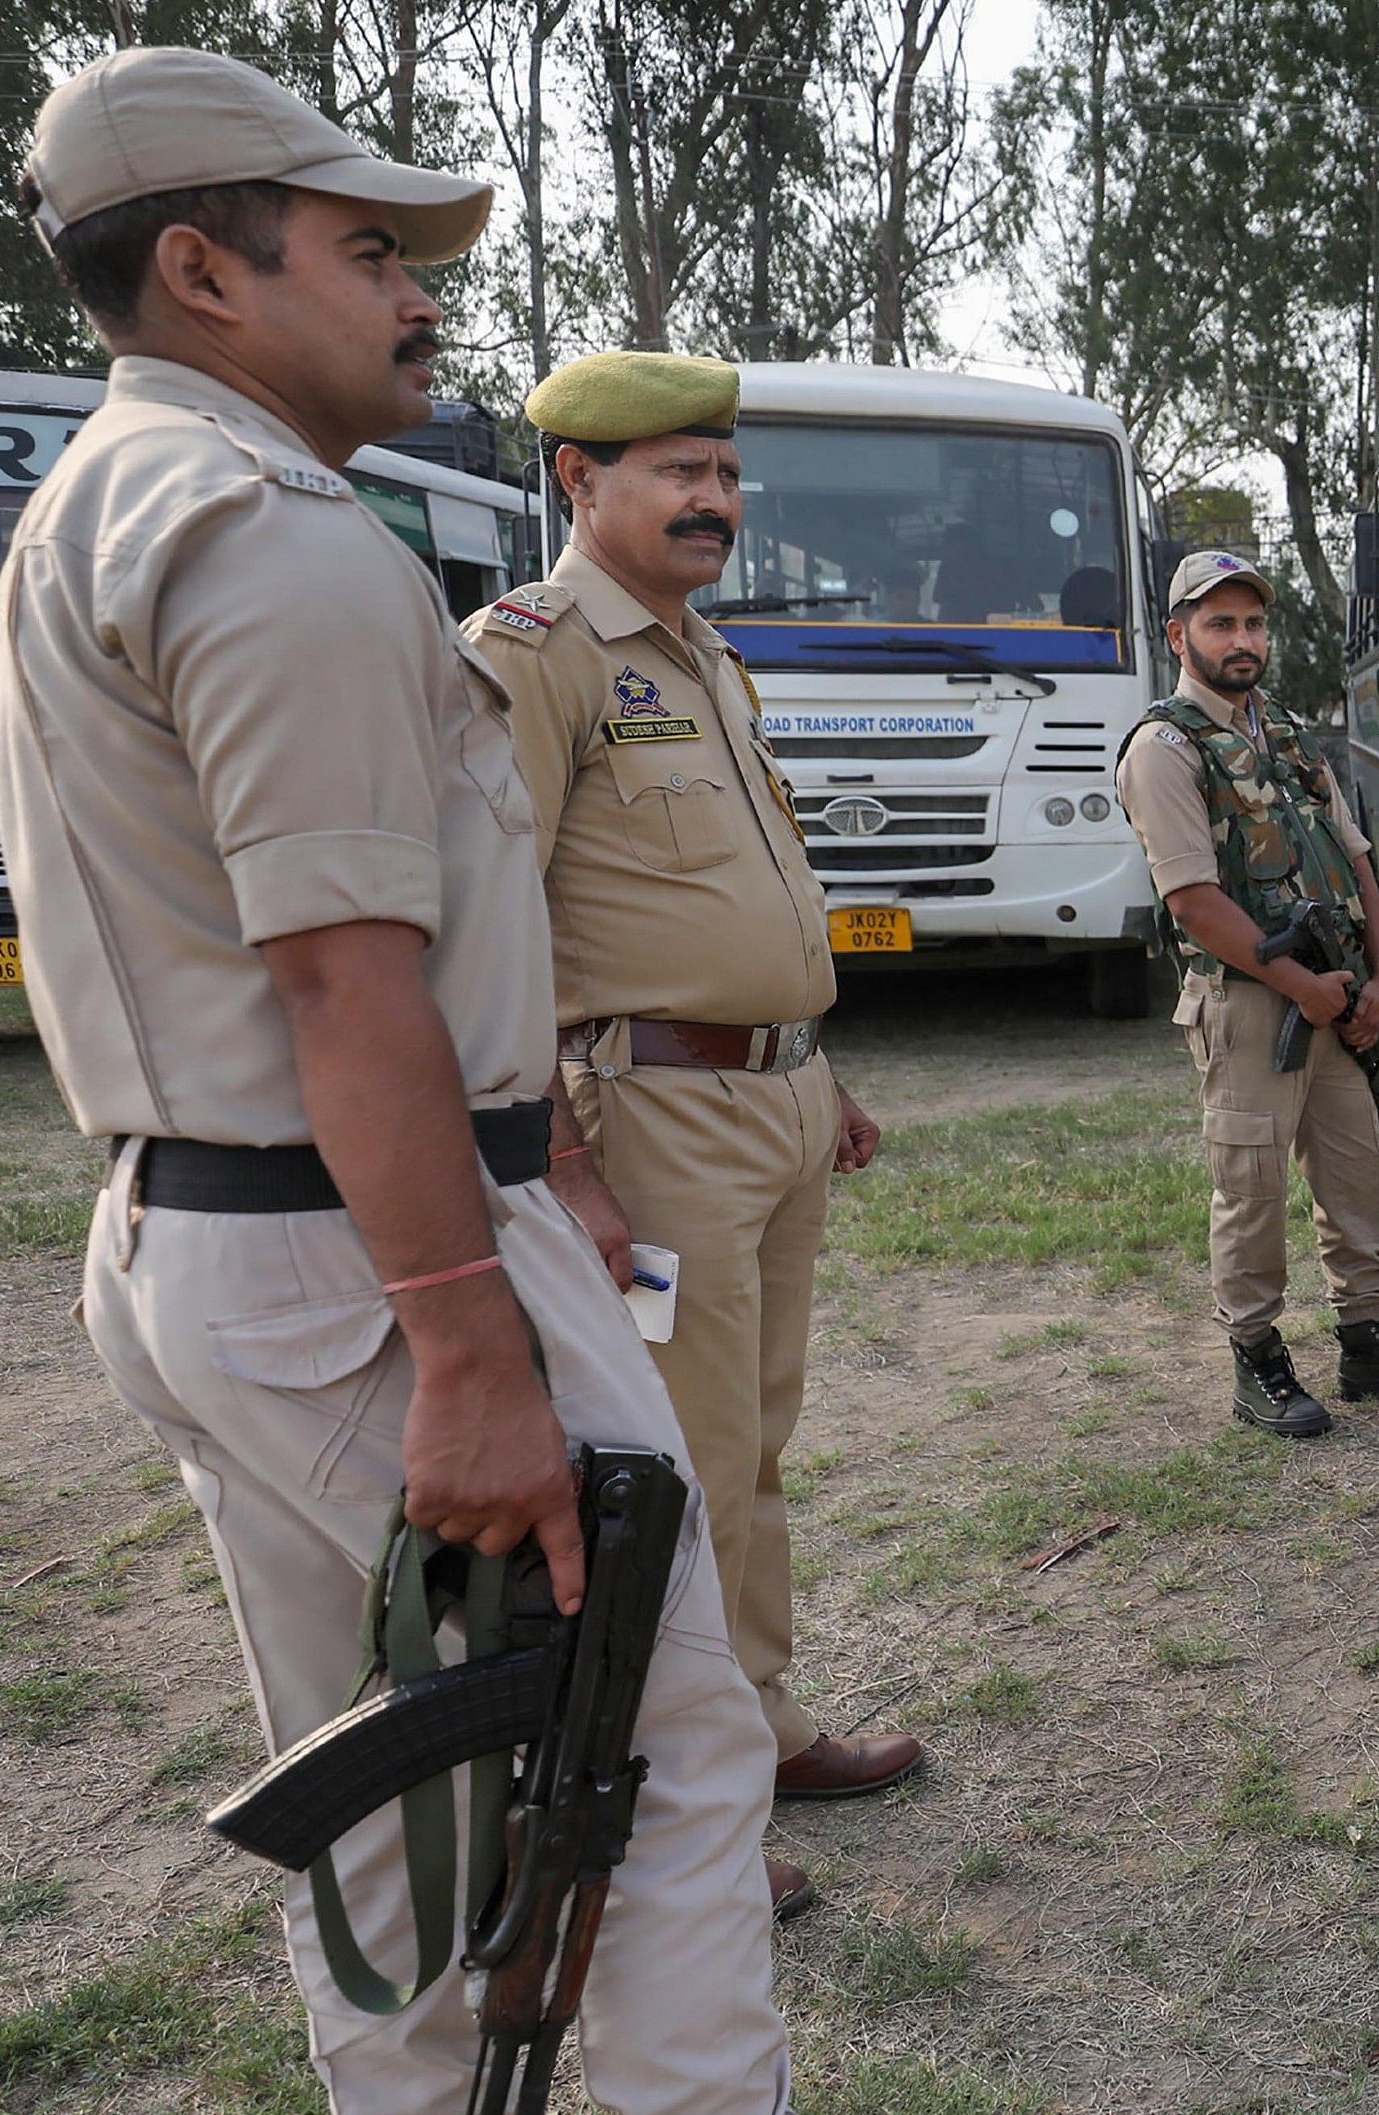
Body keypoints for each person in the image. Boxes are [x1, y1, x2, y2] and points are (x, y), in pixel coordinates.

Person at [0, 48, 800, 2115]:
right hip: (370, 1245)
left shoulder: (110, 499)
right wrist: (467, 1335)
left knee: (376, 1753)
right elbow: (344, 972)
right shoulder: (270, 531)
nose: (419, 294)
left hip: (226, 1227)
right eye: (364, 249)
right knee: (672, 1724)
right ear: (202, 269)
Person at [471, 349, 922, 1850]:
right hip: (646, 1125)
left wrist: (817, 1071)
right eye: (677, 471)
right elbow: (490, 925)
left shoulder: (700, 657)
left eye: (724, 474)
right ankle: (673, 1810)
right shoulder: (535, 653)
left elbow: (745, 900)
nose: (712, 500)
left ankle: (758, 1726)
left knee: (755, 1437)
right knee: (673, 1460)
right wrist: (566, 1169)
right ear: (577, 479)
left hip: (770, 1108)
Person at [1114, 551, 1379, 1434]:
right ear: (1178, 636)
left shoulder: (1279, 727)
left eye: (1253, 624)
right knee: (1252, 1186)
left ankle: (1366, 1341)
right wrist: (1301, 986)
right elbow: (1193, 901)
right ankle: (1257, 1360)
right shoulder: (1163, 749)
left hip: (1337, 993)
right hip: (1247, 1004)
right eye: (1220, 624)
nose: (1243, 641)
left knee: (1359, 1172)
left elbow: (1356, 855)